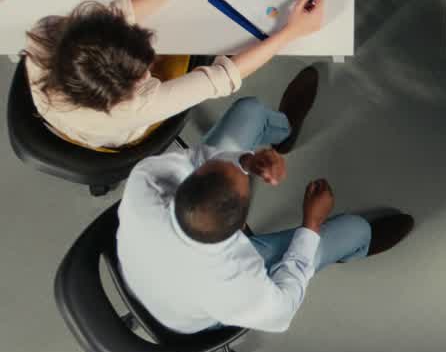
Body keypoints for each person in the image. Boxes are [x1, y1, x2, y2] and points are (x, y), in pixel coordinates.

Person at [117, 66, 415, 335]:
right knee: (352, 229)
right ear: (240, 226)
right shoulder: (237, 283)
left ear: (187, 182)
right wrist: (311, 224)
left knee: (250, 110)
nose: (236, 165)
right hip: (188, 313)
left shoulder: (147, 180)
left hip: (151, 264)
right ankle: (360, 244)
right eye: (244, 176)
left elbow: (196, 156)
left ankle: (284, 130)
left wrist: (247, 162)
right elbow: (283, 310)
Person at [23, 0, 323, 150]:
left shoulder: (45, 36)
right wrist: (291, 32)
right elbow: (223, 77)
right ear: (127, 89)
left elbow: (119, 13)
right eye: (144, 73)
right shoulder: (136, 106)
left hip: (61, 114)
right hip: (107, 135)